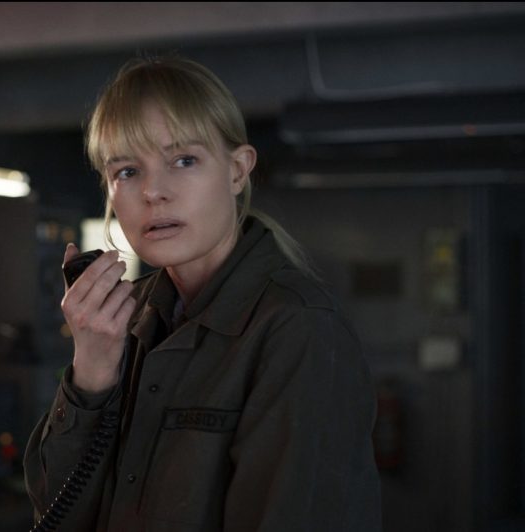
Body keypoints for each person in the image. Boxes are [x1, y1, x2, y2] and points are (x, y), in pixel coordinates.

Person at [23, 56, 381, 532]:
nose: (153, 192)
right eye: (127, 171)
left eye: (184, 161)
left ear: (237, 171)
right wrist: (91, 374)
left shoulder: (300, 328)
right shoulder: (125, 319)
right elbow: (53, 515)